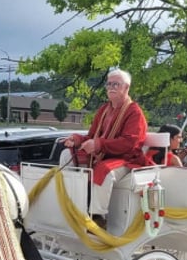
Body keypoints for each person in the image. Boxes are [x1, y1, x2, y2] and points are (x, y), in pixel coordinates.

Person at [62, 68, 150, 219]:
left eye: (116, 84)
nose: (111, 88)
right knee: (66, 154)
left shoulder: (134, 112)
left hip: (127, 159)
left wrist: (98, 145)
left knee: (104, 171)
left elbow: (129, 143)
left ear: (126, 87)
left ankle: (97, 218)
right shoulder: (104, 109)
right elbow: (91, 136)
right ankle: (71, 204)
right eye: (109, 84)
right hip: (102, 155)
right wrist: (76, 139)